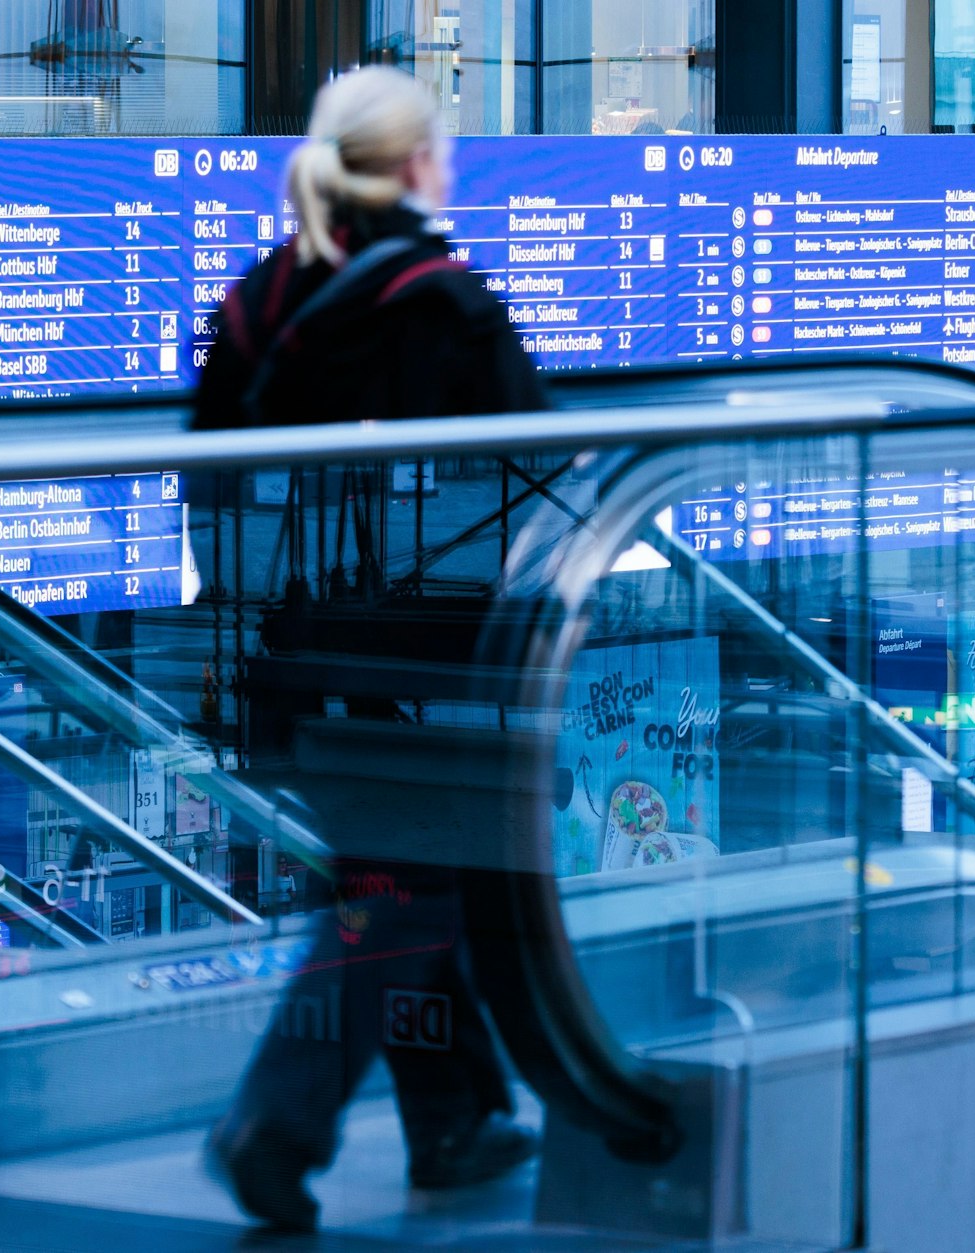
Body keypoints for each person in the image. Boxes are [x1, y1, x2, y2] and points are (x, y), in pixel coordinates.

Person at [197, 66, 546, 1233]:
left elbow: (211, 471)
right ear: (413, 168)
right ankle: (275, 1124)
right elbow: (528, 483)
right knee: (402, 888)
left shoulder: (257, 300)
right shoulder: (444, 305)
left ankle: (455, 1116)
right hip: (430, 666)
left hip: (274, 659)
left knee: (399, 878)